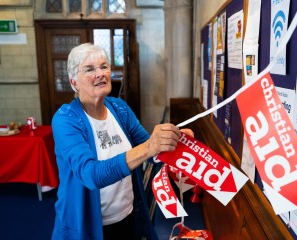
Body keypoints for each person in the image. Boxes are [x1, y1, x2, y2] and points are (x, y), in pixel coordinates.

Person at [51, 43, 193, 240]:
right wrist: (149, 147)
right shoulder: (65, 119)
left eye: (104, 66)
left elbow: (153, 154)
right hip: (87, 225)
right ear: (74, 82)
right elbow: (92, 175)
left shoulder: (120, 108)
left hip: (128, 216)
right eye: (90, 69)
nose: (100, 73)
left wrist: (175, 141)